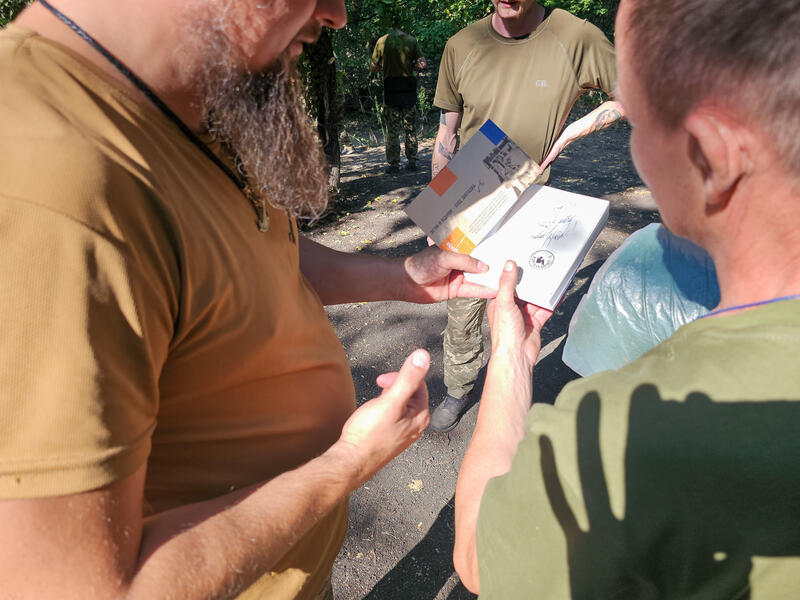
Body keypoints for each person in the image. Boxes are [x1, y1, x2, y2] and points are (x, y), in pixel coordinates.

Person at [0, 1, 495, 598]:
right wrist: (347, 464)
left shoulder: (189, 92)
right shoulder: (44, 178)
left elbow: (258, 247)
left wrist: (402, 277)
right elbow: (86, 587)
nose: (336, 14)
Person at [453, 0, 800, 597]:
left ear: (709, 155)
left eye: (638, 123)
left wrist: (510, 353)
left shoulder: (629, 436)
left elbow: (479, 554)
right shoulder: (462, 45)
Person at [429, 0, 625, 432]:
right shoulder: (462, 44)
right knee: (462, 302)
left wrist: (571, 132)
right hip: (468, 196)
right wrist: (436, 210)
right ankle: (459, 387)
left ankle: (506, 399)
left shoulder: (574, 36)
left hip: (533, 201)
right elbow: (448, 131)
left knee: (515, 308)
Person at [371, 28, 426, 173]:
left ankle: (394, 164)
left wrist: (385, 68)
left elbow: (373, 67)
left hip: (391, 88)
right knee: (410, 128)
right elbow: (422, 64)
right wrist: (411, 65)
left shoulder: (382, 41)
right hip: (408, 88)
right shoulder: (411, 40)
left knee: (392, 130)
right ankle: (412, 160)